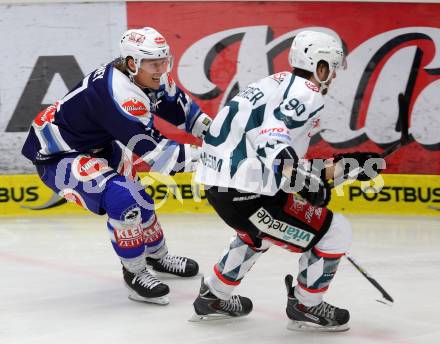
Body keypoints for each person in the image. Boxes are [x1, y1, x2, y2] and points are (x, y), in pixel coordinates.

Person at [190, 30, 381, 331]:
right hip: (248, 196)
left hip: (224, 188)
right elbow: (273, 136)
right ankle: (307, 306)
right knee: (336, 232)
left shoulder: (273, 83)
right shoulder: (309, 92)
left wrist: (345, 167)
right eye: (330, 68)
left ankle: (214, 295)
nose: (331, 77)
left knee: (259, 233)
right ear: (320, 66)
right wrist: (304, 181)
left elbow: (273, 157)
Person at [21, 27, 212, 305]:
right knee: (124, 199)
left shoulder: (144, 75)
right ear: (133, 63)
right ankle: (134, 274)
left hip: (97, 145)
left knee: (141, 198)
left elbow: (183, 110)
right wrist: (218, 157)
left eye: (164, 60)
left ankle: (158, 258)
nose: (162, 69)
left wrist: (218, 134)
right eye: (155, 63)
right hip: (59, 156)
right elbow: (160, 157)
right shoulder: (122, 95)